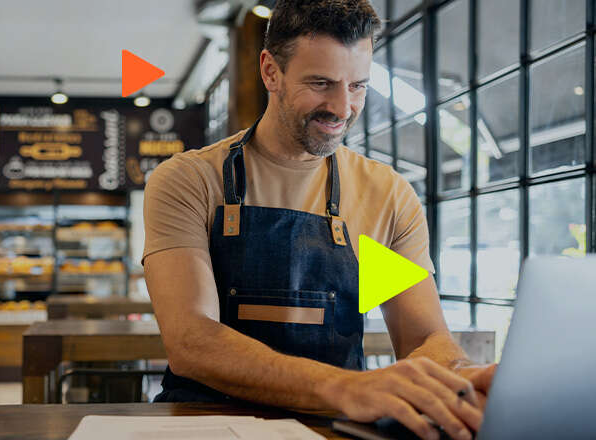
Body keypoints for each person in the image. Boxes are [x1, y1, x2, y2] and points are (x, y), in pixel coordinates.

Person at [142, 1, 496, 439]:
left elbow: (423, 339)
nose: (342, 107)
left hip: (336, 428)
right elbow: (193, 343)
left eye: (358, 86)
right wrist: (346, 388)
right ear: (271, 71)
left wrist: (462, 376)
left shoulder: (385, 195)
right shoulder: (192, 180)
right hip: (204, 420)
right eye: (321, 83)